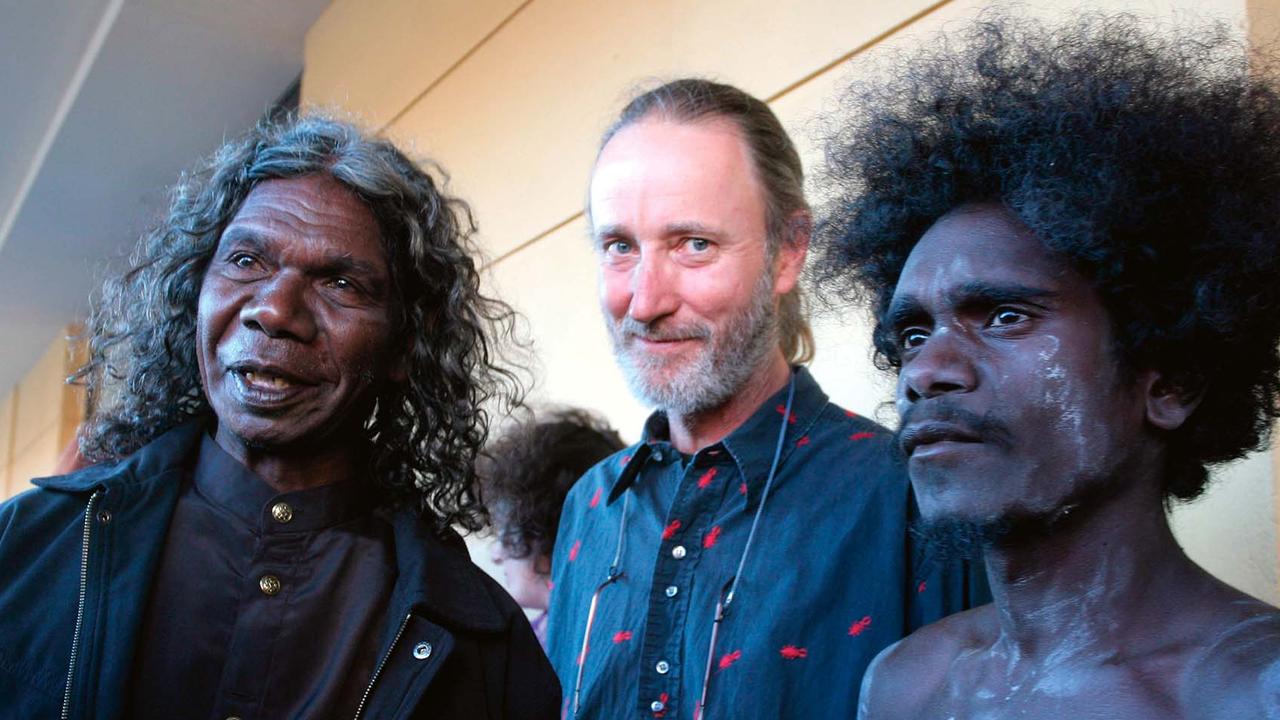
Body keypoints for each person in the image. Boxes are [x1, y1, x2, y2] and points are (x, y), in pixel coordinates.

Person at [0, 115, 560, 719]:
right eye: (245, 260)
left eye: (340, 282)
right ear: (195, 292)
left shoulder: (482, 647)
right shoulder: (29, 547)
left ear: (406, 345)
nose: (274, 311)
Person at [813, 14, 1280, 719]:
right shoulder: (907, 685)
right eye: (910, 334)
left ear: (1170, 381)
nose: (925, 372)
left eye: (1004, 316)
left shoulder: (1251, 694)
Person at [546, 78, 987, 720]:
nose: (645, 301)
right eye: (620, 247)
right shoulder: (588, 507)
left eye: (693, 244)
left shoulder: (910, 496)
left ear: (787, 250)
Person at [479, 407, 626, 649]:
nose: (496, 554)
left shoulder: (589, 646)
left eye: (508, 531)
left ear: (550, 531)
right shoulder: (541, 636)